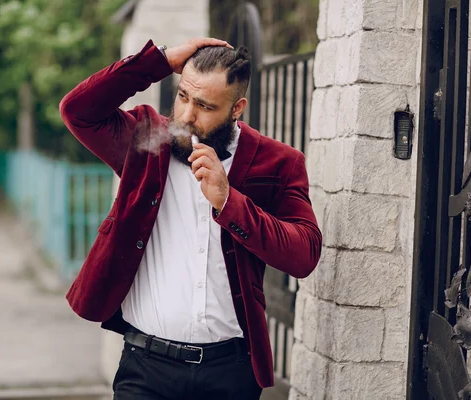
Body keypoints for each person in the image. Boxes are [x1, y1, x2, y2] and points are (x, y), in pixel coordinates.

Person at [60, 37, 322, 399]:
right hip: (145, 368)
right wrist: (161, 60)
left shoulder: (278, 162)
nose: (186, 116)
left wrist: (229, 201)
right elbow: (77, 110)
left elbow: (304, 254)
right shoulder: (145, 140)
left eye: (204, 105)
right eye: (183, 96)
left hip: (230, 373)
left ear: (237, 108)